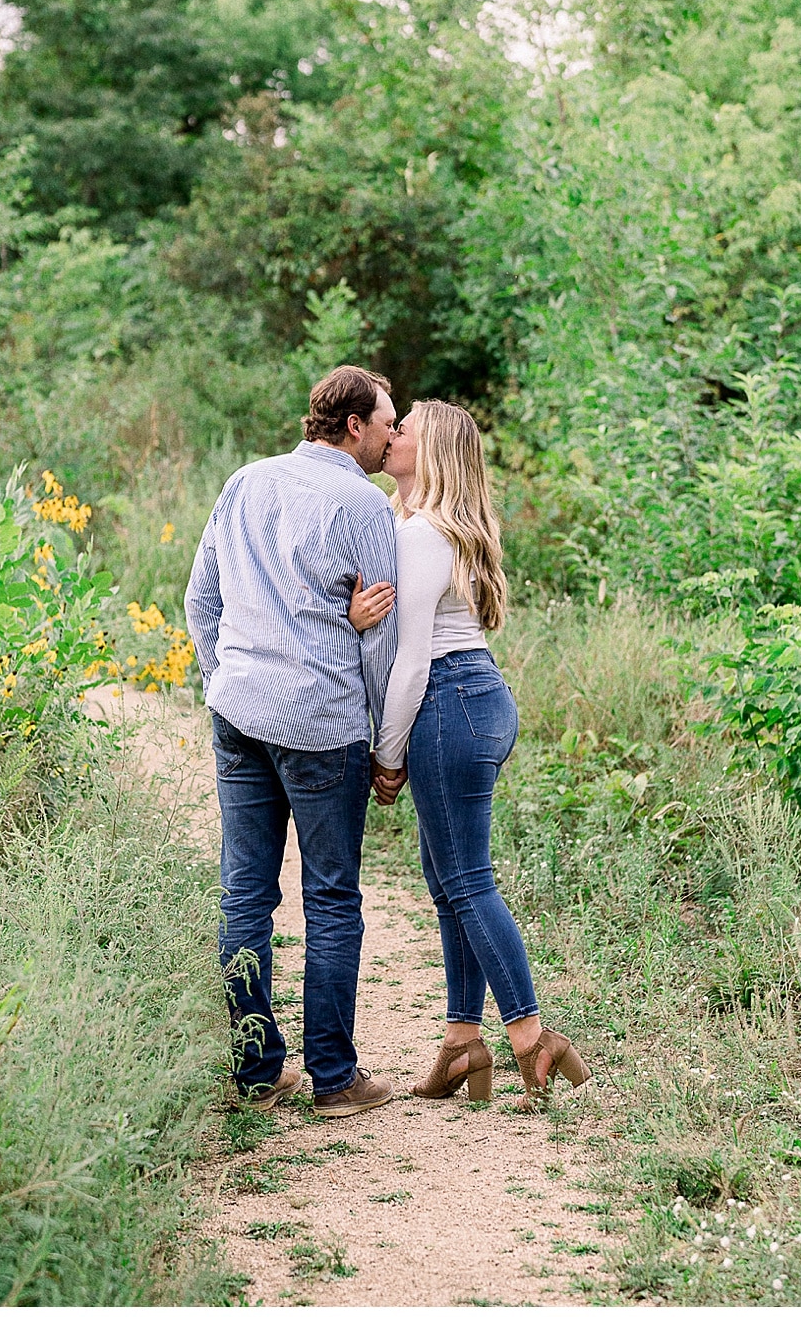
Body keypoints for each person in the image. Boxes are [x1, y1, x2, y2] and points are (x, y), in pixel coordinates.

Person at [350, 399, 590, 1108]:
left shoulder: (424, 535)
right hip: (470, 699)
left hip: (450, 700)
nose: (392, 435)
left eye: (406, 429)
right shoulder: (416, 525)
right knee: (448, 878)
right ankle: (462, 1041)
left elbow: (413, 662)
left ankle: (531, 1036)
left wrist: (386, 754)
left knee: (467, 880)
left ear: (434, 454)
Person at [185, 365, 399, 1118]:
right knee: (332, 896)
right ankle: (336, 1079)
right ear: (352, 426)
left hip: (239, 712)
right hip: (319, 723)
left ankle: (256, 1073)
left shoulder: (246, 481)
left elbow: (199, 599)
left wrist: (226, 678)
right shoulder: (364, 503)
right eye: (386, 424)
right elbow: (382, 637)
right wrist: (383, 742)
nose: (391, 439)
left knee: (246, 892)